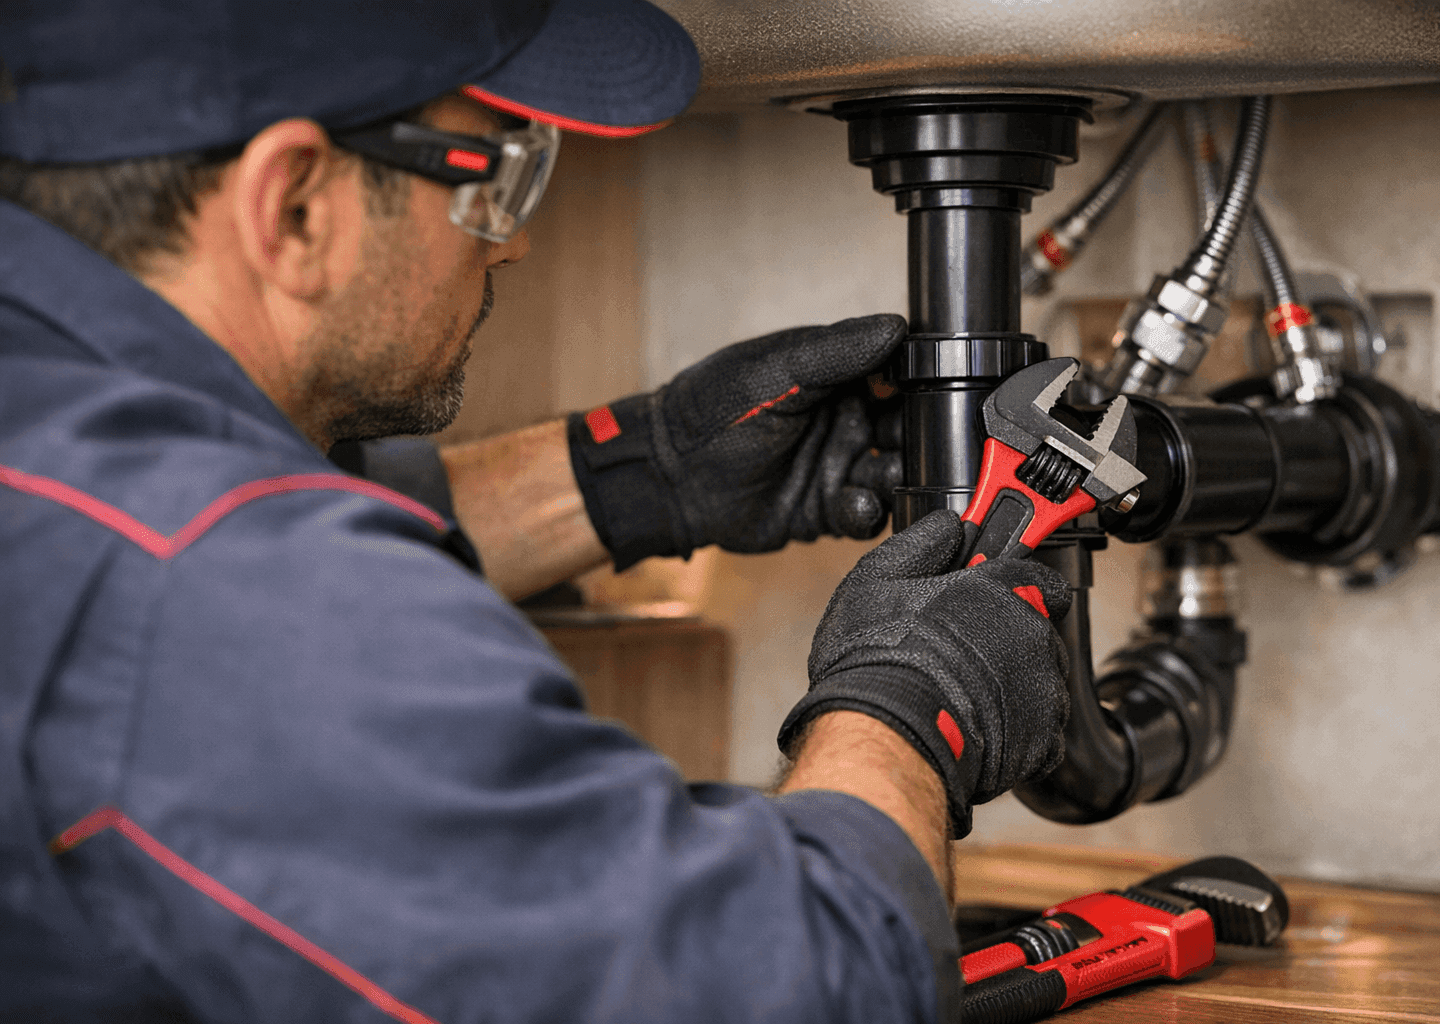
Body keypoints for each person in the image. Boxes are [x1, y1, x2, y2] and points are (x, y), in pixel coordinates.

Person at [0, 2, 1072, 1021]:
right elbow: (797, 988)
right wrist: (909, 703)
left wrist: (637, 475)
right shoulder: (209, 591)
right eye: (504, 175)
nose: (511, 243)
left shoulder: (65, 446)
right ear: (294, 206)